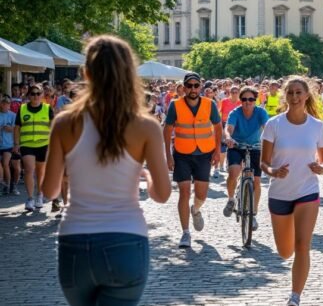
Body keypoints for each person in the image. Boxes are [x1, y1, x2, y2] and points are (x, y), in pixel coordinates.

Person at [41, 35, 171, 306]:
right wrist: (144, 175)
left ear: (86, 73)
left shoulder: (65, 122)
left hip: (75, 241)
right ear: (129, 74)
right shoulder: (146, 127)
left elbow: (49, 191)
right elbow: (162, 195)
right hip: (126, 238)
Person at [260, 77, 323, 306]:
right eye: (290, 92)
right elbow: (264, 163)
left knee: (303, 245)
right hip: (279, 193)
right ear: (284, 95)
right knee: (284, 252)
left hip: (307, 191)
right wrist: (273, 171)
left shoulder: (317, 126)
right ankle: (291, 272)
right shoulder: (274, 124)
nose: (294, 97)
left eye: (298, 92)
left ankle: (295, 296)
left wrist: (321, 169)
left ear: (307, 95)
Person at [163, 72, 222, 248]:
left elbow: (218, 128)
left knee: (201, 194)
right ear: (184, 87)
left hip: (204, 153)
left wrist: (217, 151)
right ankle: (185, 233)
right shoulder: (175, 105)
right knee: (184, 192)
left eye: (196, 86)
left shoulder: (209, 104)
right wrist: (168, 156)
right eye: (190, 86)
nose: (193, 89)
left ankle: (195, 210)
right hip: (182, 154)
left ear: (201, 87)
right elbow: (167, 131)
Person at [222, 86, 269, 230]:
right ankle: (231, 200)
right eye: (244, 99)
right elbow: (228, 129)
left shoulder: (261, 112)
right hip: (237, 145)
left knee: (256, 181)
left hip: (256, 147)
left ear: (255, 100)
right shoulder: (235, 113)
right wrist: (229, 138)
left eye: (251, 99)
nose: (247, 102)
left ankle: (253, 214)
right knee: (234, 172)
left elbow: (267, 127)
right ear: (240, 100)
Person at [13, 83, 54, 211]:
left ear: (42, 95)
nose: (35, 96)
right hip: (27, 144)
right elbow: (17, 128)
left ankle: (39, 195)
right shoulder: (22, 108)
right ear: (28, 95)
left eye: (38, 93)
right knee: (29, 170)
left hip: (43, 144)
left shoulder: (47, 108)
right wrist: (16, 144)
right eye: (33, 94)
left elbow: (53, 127)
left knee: (40, 172)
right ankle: (30, 198)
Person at [1, 96, 18, 195]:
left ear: (9, 105)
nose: (5, 104)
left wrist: (9, 128)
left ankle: (8, 185)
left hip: (9, 144)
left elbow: (16, 129)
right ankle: (4, 185)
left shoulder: (13, 115)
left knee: (6, 163)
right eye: (3, 102)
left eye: (7, 103)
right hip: (0, 144)